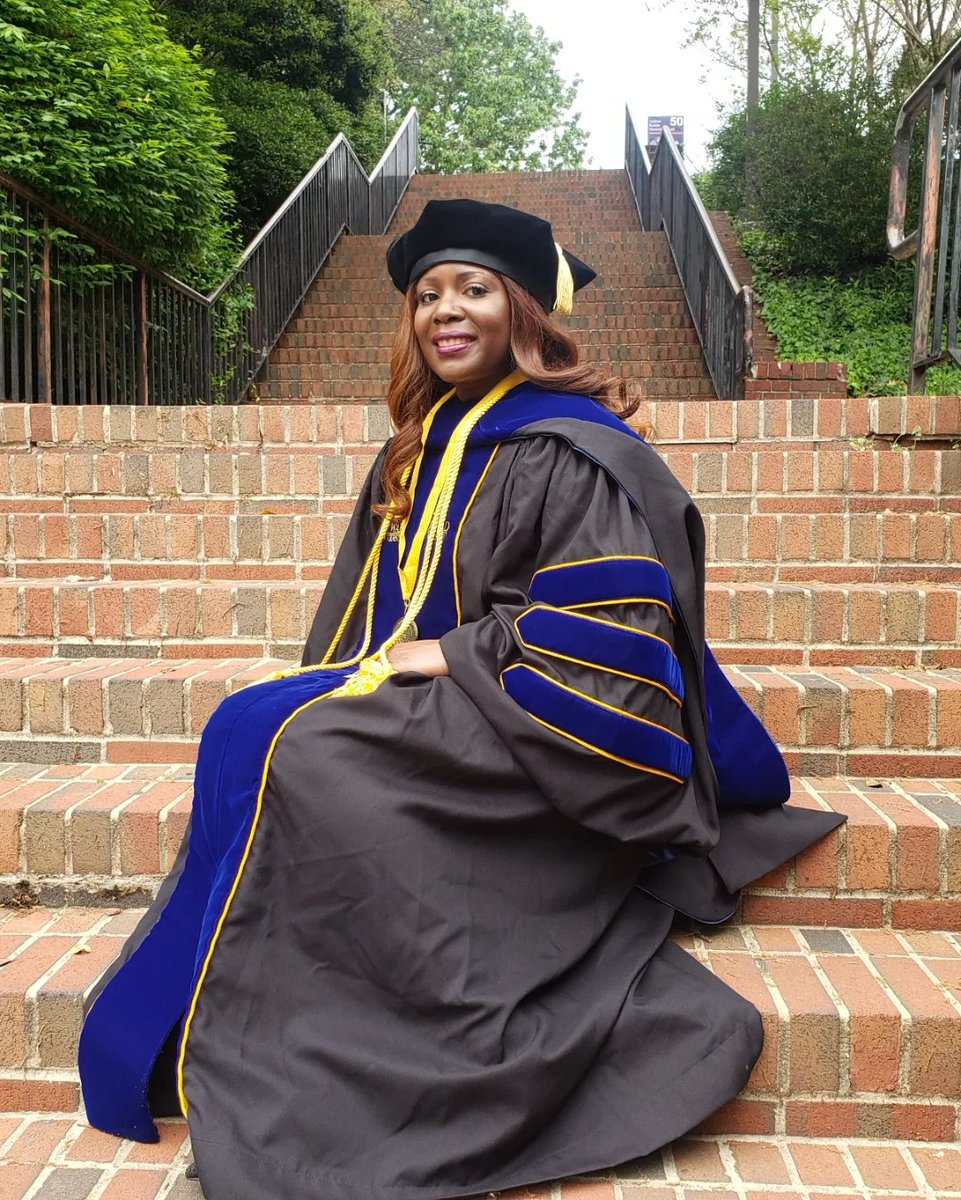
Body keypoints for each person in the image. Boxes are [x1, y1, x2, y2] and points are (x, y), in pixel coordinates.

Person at [79, 199, 843, 1200]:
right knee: (253, 724)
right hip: (466, 701)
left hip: (532, 722)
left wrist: (457, 654)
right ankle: (251, 1010)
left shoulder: (579, 448)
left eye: (473, 290)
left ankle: (379, 1017)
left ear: (520, 310)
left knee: (313, 755)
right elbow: (364, 614)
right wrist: (349, 677)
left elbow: (608, 654)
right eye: (428, 294)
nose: (447, 310)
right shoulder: (421, 442)